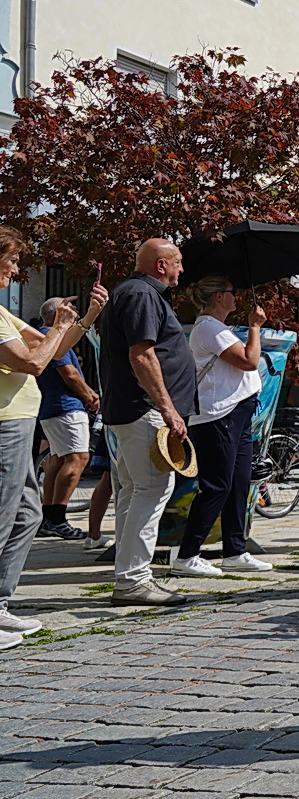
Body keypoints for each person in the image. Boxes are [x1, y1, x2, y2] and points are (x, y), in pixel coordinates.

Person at [0, 231, 105, 646]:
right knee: (5, 513)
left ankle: (1, 605)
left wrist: (88, 317)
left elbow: (56, 345)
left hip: (20, 422)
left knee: (26, 515)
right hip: (5, 424)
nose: (14, 268)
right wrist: (60, 325)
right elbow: (33, 362)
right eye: (9, 260)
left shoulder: (5, 314)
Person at [100, 238, 195, 607]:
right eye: (178, 262)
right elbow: (142, 355)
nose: (181, 270)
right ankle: (133, 579)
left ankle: (129, 575)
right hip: (143, 410)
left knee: (134, 490)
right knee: (152, 489)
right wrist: (168, 408)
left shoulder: (135, 292)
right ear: (161, 265)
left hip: (134, 409)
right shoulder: (141, 294)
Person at [171, 276, 272, 577]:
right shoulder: (208, 327)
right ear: (217, 297)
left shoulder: (219, 328)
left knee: (239, 483)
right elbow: (248, 361)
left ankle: (235, 550)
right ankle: (187, 555)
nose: (236, 298)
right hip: (218, 415)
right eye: (231, 293)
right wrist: (255, 327)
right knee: (218, 485)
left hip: (236, 412)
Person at [34, 298, 100, 543]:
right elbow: (69, 373)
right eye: (70, 309)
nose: (74, 312)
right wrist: (90, 396)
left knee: (58, 459)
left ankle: (49, 518)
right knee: (77, 458)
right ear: (56, 313)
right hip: (66, 406)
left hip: (52, 407)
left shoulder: (43, 335)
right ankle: (58, 519)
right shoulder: (54, 335)